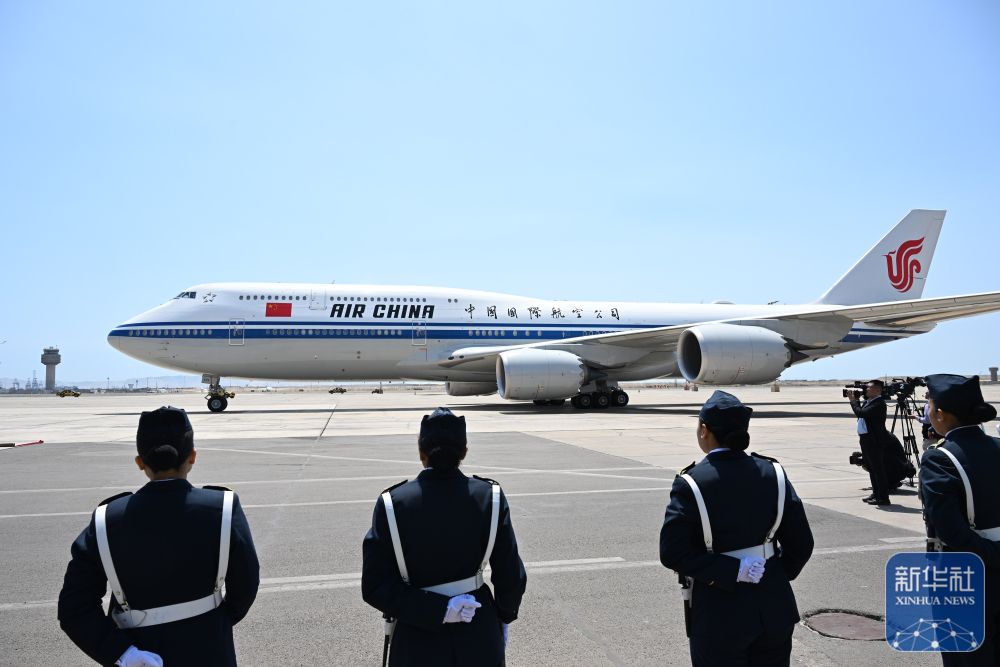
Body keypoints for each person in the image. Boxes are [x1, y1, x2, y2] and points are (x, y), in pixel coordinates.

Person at [58, 407, 260, 666]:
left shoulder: (106, 520)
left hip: (140, 652)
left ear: (140, 462)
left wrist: (123, 654)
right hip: (210, 651)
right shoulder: (222, 508)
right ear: (192, 457)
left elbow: (74, 608)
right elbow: (245, 585)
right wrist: (214, 622)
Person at [362, 408, 527, 667]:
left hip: (417, 637)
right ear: (464, 452)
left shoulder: (393, 503)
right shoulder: (490, 496)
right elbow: (510, 574)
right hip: (478, 627)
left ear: (421, 453)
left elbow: (375, 586)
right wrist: (504, 615)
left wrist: (437, 611)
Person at [660, 390, 814, 666]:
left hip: (719, 613)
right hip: (774, 608)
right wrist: (773, 574)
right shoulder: (773, 473)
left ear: (704, 430)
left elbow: (673, 553)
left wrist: (732, 571)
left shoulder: (692, 483)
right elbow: (802, 544)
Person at [920, 374, 1000, 665]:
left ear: (940, 415)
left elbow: (950, 530)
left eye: (929, 406)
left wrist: (992, 555)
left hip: (964, 575)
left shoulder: (939, 458)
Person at [848, 379, 893, 506]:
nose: (866, 389)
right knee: (871, 468)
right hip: (866, 439)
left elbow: (861, 413)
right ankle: (876, 493)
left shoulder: (878, 403)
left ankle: (883, 497)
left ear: (878, 390)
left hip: (874, 440)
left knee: (878, 469)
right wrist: (857, 401)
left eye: (869, 387)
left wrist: (853, 401)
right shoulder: (869, 401)